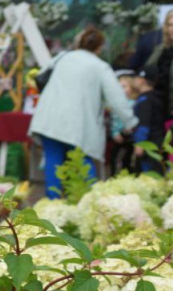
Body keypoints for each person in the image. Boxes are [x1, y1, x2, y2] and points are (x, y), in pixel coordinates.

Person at [29, 27, 137, 198]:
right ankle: (88, 207)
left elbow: (41, 75)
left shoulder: (62, 57)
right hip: (78, 124)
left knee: (53, 161)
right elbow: (117, 98)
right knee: (84, 163)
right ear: (99, 47)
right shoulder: (100, 66)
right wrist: (131, 122)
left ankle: (52, 205)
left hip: (49, 118)